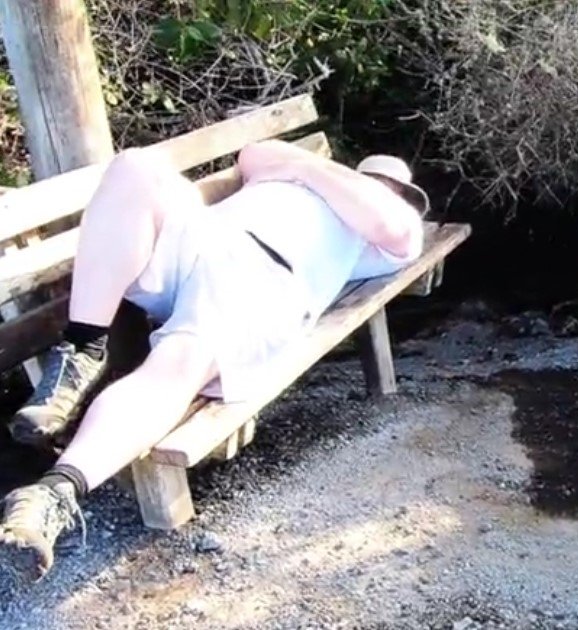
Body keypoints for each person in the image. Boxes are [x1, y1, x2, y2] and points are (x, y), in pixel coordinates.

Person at [0, 139, 430, 582]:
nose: (378, 191)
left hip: (266, 281)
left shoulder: (382, 235)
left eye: (388, 188)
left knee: (176, 366)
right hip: (206, 236)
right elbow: (254, 154)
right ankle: (82, 350)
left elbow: (392, 225)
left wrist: (309, 171)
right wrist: (321, 173)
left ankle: (52, 495)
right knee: (135, 167)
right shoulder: (310, 178)